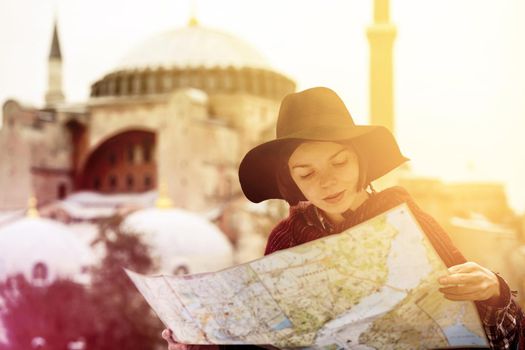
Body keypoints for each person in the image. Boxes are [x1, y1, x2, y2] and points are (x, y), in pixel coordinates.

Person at [163, 87, 523, 349]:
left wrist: (494, 290)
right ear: (291, 181)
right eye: (307, 172)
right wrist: (202, 341)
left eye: (339, 162)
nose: (328, 181)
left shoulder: (407, 220)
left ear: (360, 160)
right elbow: (267, 339)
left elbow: (486, 331)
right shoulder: (284, 240)